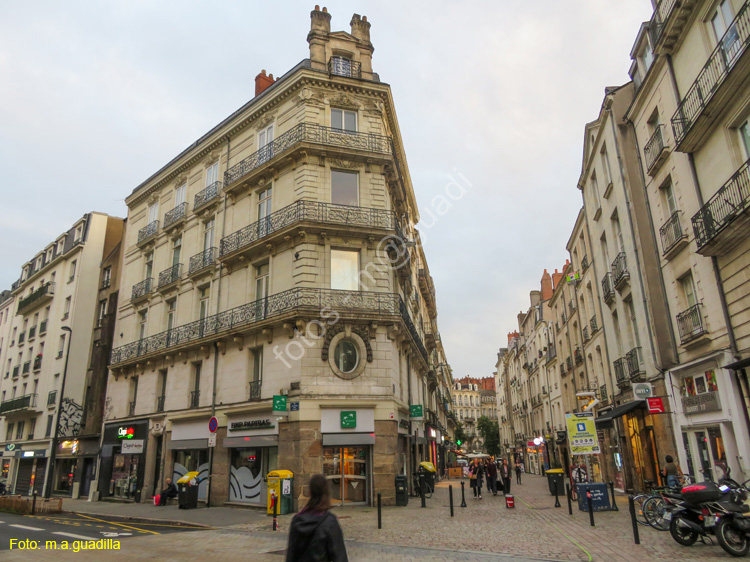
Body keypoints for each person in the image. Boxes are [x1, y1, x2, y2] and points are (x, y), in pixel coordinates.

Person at [285, 474, 348, 562]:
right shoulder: (330, 522)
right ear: (327, 492)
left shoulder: (297, 520)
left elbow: (290, 556)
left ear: (310, 492)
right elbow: (340, 558)